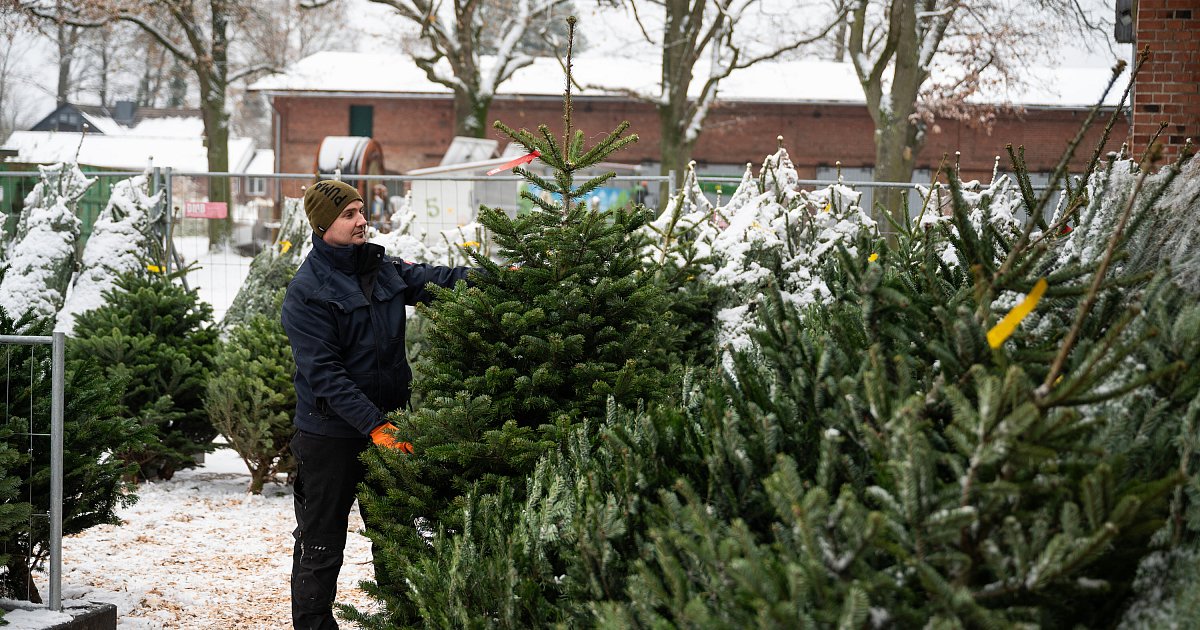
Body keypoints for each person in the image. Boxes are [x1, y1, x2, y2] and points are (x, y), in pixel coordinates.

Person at [281, 179, 471, 629]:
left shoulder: (381, 268)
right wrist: (375, 426)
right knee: (321, 544)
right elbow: (325, 376)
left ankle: (403, 620)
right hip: (330, 438)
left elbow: (437, 281)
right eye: (349, 215)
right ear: (324, 224)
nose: (362, 221)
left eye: (361, 211)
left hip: (388, 432)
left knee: (396, 536)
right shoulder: (307, 291)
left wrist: (500, 280)